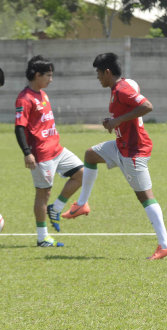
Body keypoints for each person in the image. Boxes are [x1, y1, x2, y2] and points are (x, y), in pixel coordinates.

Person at [61, 52, 167, 260]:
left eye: (98, 73)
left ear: (107, 72)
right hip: (120, 146)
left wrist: (117, 120)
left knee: (145, 198)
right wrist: (113, 120)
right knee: (90, 155)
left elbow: (147, 106)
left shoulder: (122, 89)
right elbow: (126, 113)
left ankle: (165, 244)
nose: (97, 77)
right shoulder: (116, 89)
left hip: (134, 151)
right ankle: (82, 203)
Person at [15, 55, 84, 247]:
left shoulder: (43, 93)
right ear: (37, 75)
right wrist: (27, 152)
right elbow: (19, 127)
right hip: (41, 154)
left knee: (82, 173)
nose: (51, 79)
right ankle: (42, 237)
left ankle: (57, 207)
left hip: (57, 149)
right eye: (48, 75)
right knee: (43, 194)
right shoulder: (24, 98)